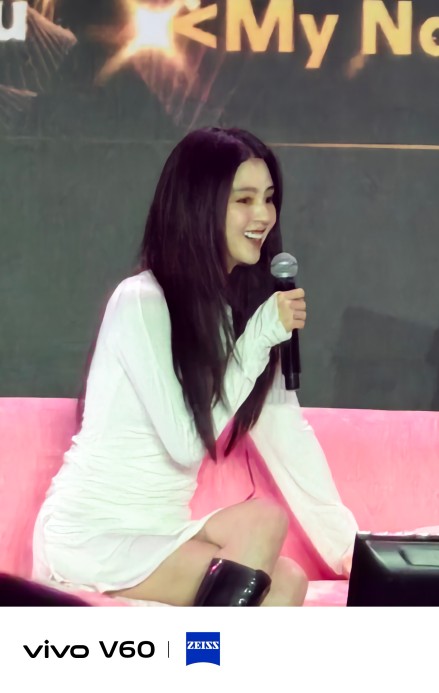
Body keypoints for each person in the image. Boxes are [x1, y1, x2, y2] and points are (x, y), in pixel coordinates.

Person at [31, 128, 359, 607]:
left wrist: (355, 552)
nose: (263, 215)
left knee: (289, 579)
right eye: (243, 200)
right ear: (200, 206)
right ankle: (201, 653)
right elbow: (185, 443)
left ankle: (203, 650)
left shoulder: (238, 317)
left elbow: (290, 440)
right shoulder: (142, 301)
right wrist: (259, 338)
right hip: (93, 533)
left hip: (162, 532)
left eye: (268, 198)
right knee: (265, 523)